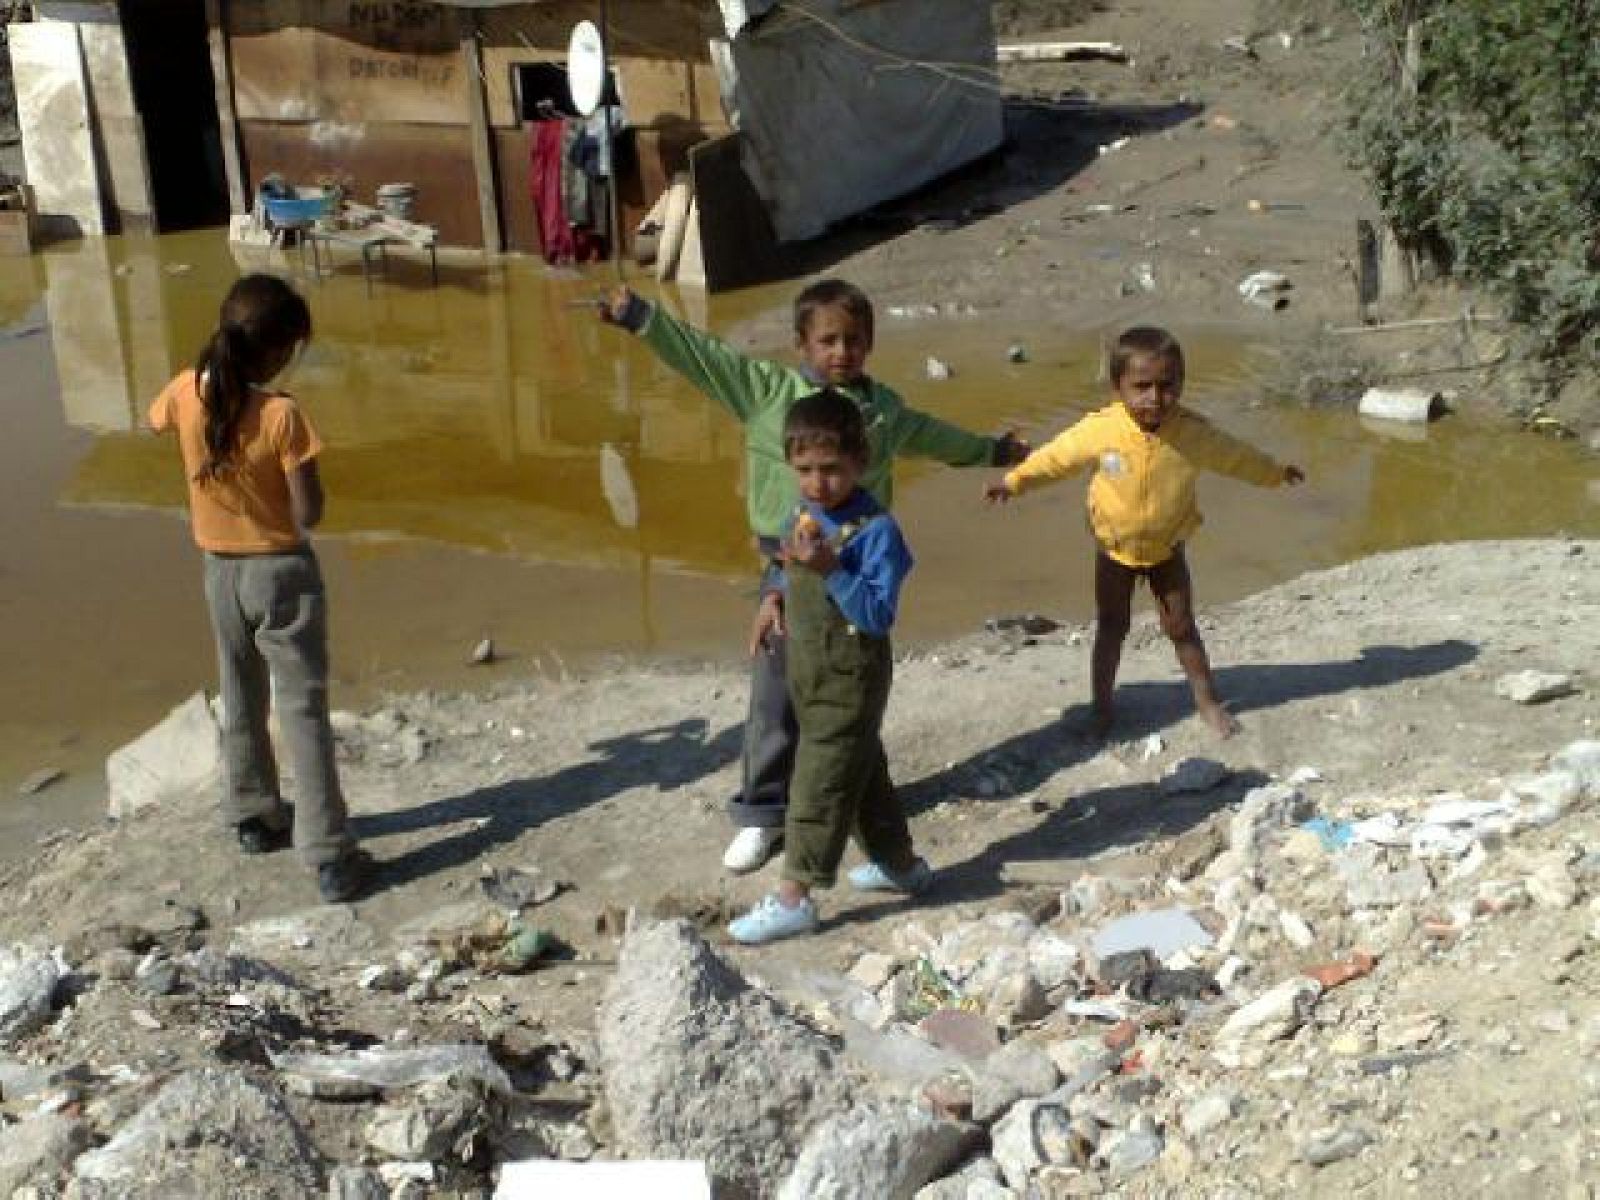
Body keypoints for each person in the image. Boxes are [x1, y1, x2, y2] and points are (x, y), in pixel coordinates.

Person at [601, 279, 1026, 873]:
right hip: (785, 568)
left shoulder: (883, 411)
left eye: (853, 340)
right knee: (776, 689)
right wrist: (643, 317)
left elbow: (935, 436)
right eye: (827, 340)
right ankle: (762, 812)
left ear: (870, 343)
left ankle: (849, 804)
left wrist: (992, 452)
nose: (841, 351)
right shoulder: (766, 391)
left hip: (856, 565)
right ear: (801, 342)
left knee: (848, 691)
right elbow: (704, 357)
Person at [147, 273, 371, 903]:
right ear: (276, 353)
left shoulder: (186, 392)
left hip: (219, 571)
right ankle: (329, 853)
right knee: (300, 708)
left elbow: (154, 421)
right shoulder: (283, 416)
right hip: (281, 574)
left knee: (239, 692)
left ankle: (252, 814)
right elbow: (309, 514)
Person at [985, 326, 1304, 739]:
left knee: (1182, 626)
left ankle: (1207, 702)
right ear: (1118, 386)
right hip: (1114, 549)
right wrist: (1014, 482)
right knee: (1111, 626)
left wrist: (1276, 473)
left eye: (1167, 386)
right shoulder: (1101, 429)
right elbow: (1056, 458)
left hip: (1168, 549)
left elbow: (1236, 457)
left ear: (1182, 385)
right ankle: (1101, 708)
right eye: (1142, 386)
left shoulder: (1194, 433)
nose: (1155, 397)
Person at [727, 389, 930, 944]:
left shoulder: (876, 532)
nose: (819, 484)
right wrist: (773, 599)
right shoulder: (803, 513)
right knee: (862, 774)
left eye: (832, 470)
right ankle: (901, 865)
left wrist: (834, 569)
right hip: (808, 669)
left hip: (851, 677)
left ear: (860, 463)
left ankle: (795, 896)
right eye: (805, 471)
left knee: (816, 780)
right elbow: (785, 564)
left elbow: (876, 614)